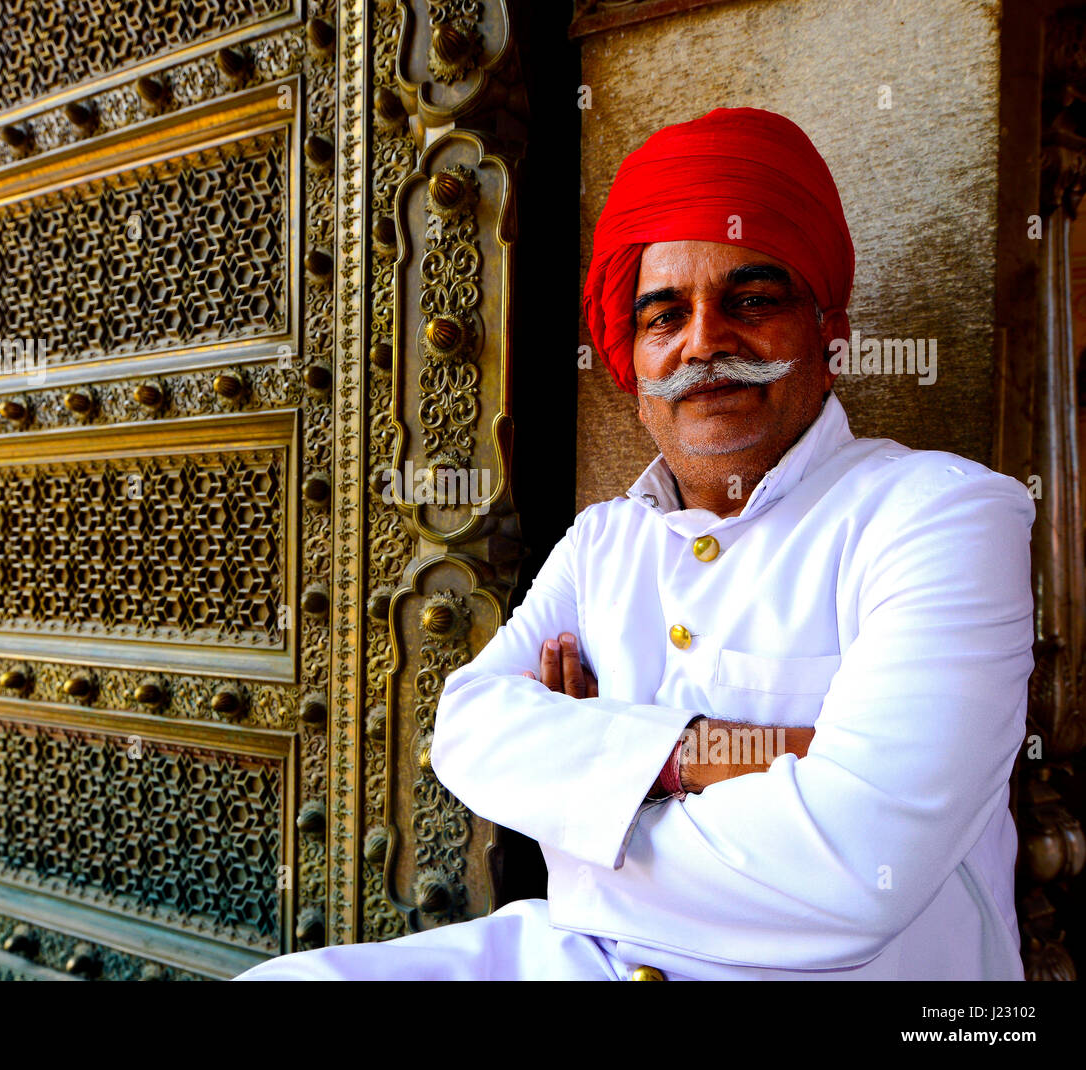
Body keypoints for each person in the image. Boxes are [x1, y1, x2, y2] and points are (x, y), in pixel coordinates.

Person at [235, 107, 1034, 981]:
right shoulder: (604, 539)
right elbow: (468, 727)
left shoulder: (940, 515)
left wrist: (585, 828)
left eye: (752, 300)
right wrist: (697, 755)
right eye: (664, 316)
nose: (705, 341)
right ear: (634, 362)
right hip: (585, 955)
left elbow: (856, 874)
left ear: (828, 333)